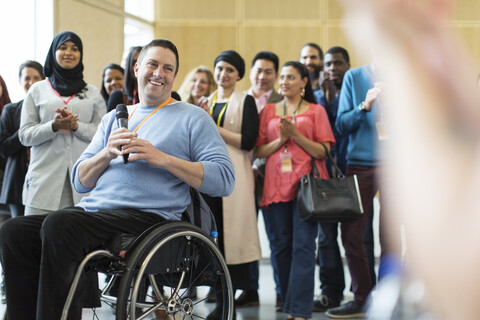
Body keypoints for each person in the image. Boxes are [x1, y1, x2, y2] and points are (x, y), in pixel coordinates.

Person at [0, 38, 235, 320]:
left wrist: (161, 158)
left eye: (168, 68)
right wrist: (106, 154)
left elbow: (224, 179)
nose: (159, 73)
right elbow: (80, 181)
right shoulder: (114, 117)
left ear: (174, 75)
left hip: (148, 219)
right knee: (14, 232)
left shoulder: (193, 118)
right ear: (137, 68)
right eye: (152, 64)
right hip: (95, 213)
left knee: (60, 223)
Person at [256, 61, 335, 320]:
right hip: (275, 186)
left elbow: (324, 150)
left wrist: (296, 136)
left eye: (292, 77)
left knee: (303, 247)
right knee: (280, 247)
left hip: (307, 188)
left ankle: (300, 311)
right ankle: (288, 305)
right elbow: (259, 151)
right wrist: (281, 140)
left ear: (304, 82)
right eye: (283, 77)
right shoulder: (268, 111)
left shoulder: (315, 111)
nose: (285, 81)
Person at [200, 50, 261, 320]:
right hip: (209, 174)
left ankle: (231, 301)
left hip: (235, 174)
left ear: (238, 75)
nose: (223, 74)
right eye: (219, 68)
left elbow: (248, 141)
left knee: (233, 238)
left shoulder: (246, 100)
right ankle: (219, 299)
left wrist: (213, 125)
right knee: (213, 238)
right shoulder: (206, 101)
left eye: (229, 70)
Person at [18, 31, 106, 216]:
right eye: (63, 47)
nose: (69, 52)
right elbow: (25, 135)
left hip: (82, 185)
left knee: (73, 242)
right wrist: (54, 126)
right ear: (53, 52)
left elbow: (102, 133)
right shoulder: (38, 89)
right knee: (33, 240)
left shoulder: (92, 93)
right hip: (43, 184)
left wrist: (76, 127)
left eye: (75, 49)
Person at [235, 50, 283, 310]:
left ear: (276, 75)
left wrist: (258, 164)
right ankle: (249, 289)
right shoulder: (239, 99)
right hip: (242, 178)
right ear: (250, 72)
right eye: (258, 70)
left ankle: (280, 292)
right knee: (245, 233)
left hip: (270, 177)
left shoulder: (281, 99)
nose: (262, 76)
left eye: (269, 72)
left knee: (277, 238)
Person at [312, 46, 351, 312]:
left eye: (338, 63)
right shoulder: (315, 96)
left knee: (358, 237)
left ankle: (364, 292)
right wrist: (325, 98)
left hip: (352, 172)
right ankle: (330, 292)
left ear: (347, 65)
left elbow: (342, 126)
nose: (332, 68)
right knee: (325, 238)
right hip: (323, 176)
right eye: (328, 64)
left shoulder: (353, 91)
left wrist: (333, 99)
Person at [0, 60, 45, 218]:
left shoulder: (48, 110)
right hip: (17, 182)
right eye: (26, 78)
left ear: (44, 80)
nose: (31, 82)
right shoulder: (10, 110)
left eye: (36, 77)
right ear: (20, 81)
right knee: (18, 235)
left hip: (45, 179)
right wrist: (25, 132)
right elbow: (4, 148)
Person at [107, 46, 142, 111]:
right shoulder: (118, 96)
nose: (137, 67)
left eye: (142, 62)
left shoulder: (157, 96)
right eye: (134, 63)